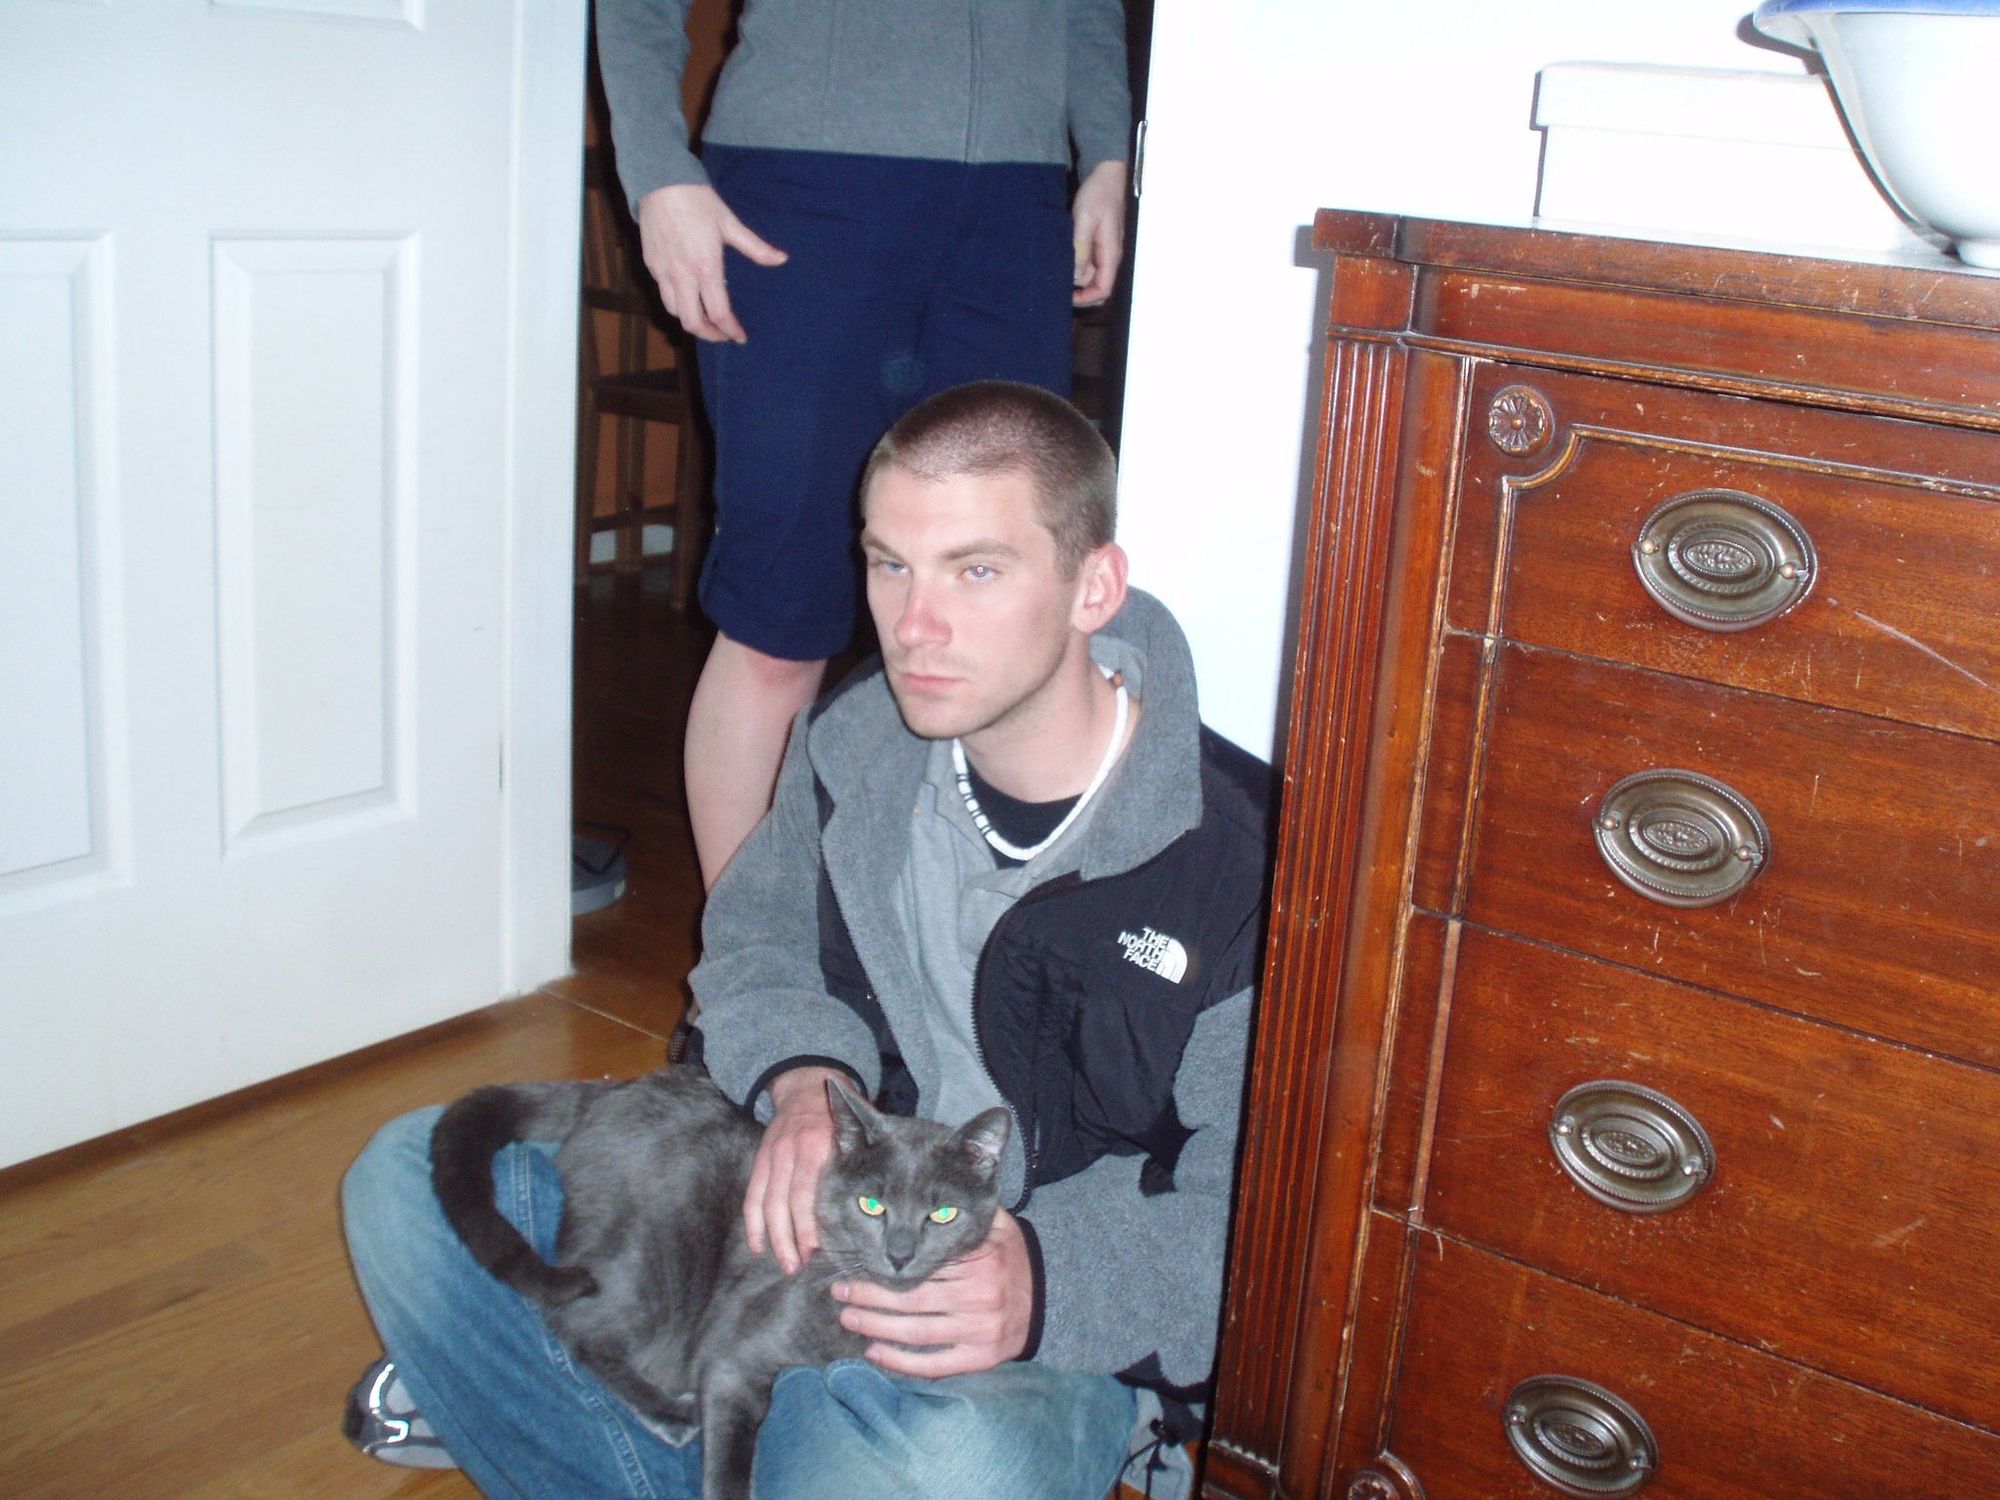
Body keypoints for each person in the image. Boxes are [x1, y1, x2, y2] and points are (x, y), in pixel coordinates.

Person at [341, 382, 1271, 1499]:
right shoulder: (856, 734)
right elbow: (755, 934)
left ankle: (594, 1410)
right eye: (889, 565)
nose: (913, 627)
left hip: (1012, 1306)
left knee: (955, 1468)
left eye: (975, 571)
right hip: (809, 1220)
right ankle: (719, 1429)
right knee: (401, 1178)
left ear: (1093, 587)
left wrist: (1049, 1281)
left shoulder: (1246, 867)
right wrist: (798, 1079)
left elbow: (1264, 1213)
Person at [593, 0, 1134, 888]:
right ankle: (749, 952)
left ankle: (962, 927)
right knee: (779, 610)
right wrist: (656, 170)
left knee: (1002, 599)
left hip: (1017, 206)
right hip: (805, 192)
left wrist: (1107, 154)